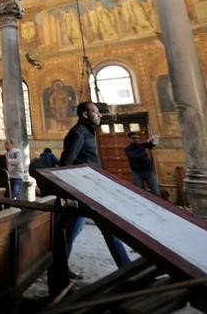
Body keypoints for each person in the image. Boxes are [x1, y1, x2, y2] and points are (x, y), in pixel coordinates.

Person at [61, 102, 131, 268]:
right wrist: (72, 191)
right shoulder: (78, 134)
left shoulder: (87, 132)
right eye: (96, 112)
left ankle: (60, 268)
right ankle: (127, 269)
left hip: (90, 190)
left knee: (71, 231)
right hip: (86, 192)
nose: (100, 115)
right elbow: (66, 163)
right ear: (85, 115)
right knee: (109, 230)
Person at [124, 131, 160, 196]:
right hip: (137, 172)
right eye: (133, 138)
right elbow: (133, 157)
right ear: (129, 139)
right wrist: (145, 153)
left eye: (137, 138)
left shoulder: (142, 145)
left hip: (149, 171)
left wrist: (155, 139)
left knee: (155, 192)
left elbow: (153, 145)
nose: (136, 139)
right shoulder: (127, 148)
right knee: (140, 192)